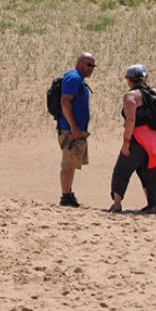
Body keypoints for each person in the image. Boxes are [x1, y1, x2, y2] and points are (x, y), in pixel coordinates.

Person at [109, 64, 156, 216]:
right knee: (149, 172)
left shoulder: (130, 96)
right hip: (154, 141)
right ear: (145, 78)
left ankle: (117, 204)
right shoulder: (153, 92)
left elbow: (131, 120)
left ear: (129, 80)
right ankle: (152, 206)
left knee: (122, 170)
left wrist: (126, 143)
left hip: (137, 139)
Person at [57, 53, 95, 207]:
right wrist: (73, 126)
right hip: (69, 130)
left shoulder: (78, 79)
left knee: (72, 163)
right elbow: (65, 102)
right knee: (68, 163)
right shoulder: (73, 78)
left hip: (75, 129)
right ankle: (65, 196)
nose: (91, 69)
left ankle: (68, 193)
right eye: (88, 65)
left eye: (93, 66)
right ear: (79, 63)